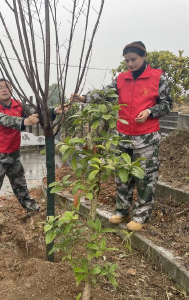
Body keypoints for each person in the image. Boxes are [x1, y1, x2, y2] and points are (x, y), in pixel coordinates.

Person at [71, 41, 173, 231]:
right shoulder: (121, 79)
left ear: (143, 57)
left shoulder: (158, 77)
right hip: (123, 136)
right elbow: (105, 94)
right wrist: (84, 98)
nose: (130, 64)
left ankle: (141, 216)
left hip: (147, 138)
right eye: (126, 60)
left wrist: (150, 111)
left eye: (133, 59)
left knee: (145, 178)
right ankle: (122, 210)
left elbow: (167, 104)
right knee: (122, 176)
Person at [0, 78, 67, 241]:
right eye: (0, 87)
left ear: (12, 90)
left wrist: (54, 111)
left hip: (13, 154)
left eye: (7, 87)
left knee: (21, 185)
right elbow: (5, 121)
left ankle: (32, 209)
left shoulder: (19, 105)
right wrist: (25, 121)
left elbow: (37, 112)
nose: (4, 89)